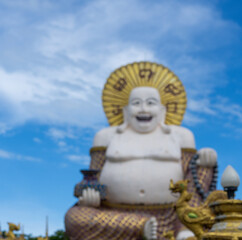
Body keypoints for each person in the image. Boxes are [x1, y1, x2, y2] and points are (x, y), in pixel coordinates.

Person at [65, 62, 217, 240]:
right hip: (114, 215)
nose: (143, 109)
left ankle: (186, 228)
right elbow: (92, 177)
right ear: (125, 110)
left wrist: (205, 158)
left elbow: (191, 177)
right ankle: (140, 226)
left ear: (162, 111)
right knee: (74, 217)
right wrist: (89, 196)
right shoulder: (106, 136)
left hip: (172, 216)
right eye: (136, 103)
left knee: (203, 165)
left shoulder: (181, 136)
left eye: (150, 103)